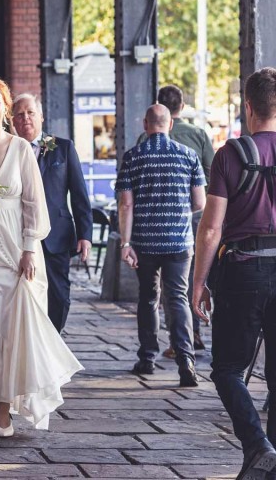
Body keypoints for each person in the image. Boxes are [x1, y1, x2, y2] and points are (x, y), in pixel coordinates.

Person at [0, 76, 82, 437]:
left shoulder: (22, 149)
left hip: (15, 252)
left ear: (5, 108)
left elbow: (34, 204)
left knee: (12, 332)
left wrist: (29, 248)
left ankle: (4, 409)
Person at [192, 67, 276, 480]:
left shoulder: (231, 154)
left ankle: (259, 447)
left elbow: (210, 228)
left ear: (248, 106)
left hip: (244, 270)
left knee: (227, 368)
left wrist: (198, 282)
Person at [117, 103, 205, 387]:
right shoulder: (188, 155)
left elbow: (126, 204)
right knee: (178, 298)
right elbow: (200, 203)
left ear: (146, 124)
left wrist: (126, 242)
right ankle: (186, 361)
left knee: (149, 298)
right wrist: (177, 213)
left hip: (145, 243)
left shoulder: (133, 157)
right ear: (169, 124)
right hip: (179, 242)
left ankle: (147, 358)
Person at [137, 85, 215, 354]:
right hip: (189, 221)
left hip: (149, 228)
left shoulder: (142, 142)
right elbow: (211, 176)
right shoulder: (198, 135)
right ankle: (190, 338)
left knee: (151, 295)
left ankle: (153, 352)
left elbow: (131, 192)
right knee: (185, 287)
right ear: (180, 108)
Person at [12, 94, 92, 333]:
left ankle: (53, 338)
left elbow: (79, 193)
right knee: (25, 293)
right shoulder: (8, 151)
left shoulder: (63, 148)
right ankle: (31, 341)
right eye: (19, 114)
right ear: (13, 121)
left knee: (59, 295)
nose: (25, 118)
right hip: (18, 234)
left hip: (56, 234)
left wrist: (85, 234)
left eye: (30, 113)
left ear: (41, 117)